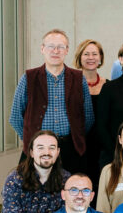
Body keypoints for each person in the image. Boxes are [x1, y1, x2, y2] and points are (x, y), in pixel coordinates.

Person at [10, 29, 94, 174]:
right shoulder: (28, 78)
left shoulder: (79, 79)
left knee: (71, 191)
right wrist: (32, 141)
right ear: (42, 49)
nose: (56, 51)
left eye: (61, 47)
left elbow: (88, 117)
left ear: (67, 50)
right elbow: (15, 117)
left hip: (71, 149)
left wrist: (75, 136)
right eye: (50, 46)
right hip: (37, 150)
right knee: (34, 191)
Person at [73, 39, 106, 192]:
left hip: (101, 145)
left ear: (100, 58)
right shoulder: (71, 85)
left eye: (94, 54)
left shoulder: (108, 85)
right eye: (86, 54)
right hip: (78, 144)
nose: (90, 57)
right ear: (80, 58)